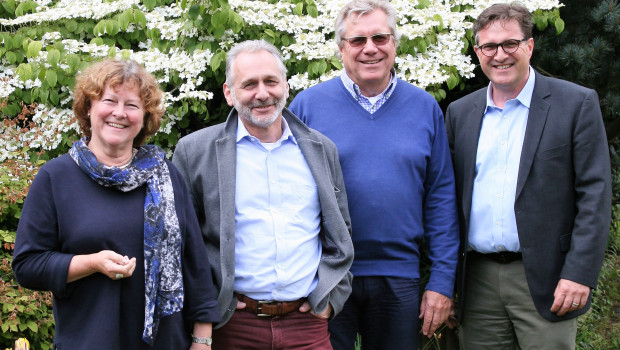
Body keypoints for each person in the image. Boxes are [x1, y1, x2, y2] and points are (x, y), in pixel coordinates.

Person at [12, 58, 221, 350]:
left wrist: (202, 339)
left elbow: (195, 265)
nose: (119, 113)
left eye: (132, 105)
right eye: (109, 101)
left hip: (167, 343)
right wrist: (91, 263)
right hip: (89, 341)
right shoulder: (56, 177)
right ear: (89, 108)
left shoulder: (165, 174)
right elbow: (28, 265)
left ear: (145, 116)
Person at [289, 0, 460, 348]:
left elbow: (441, 198)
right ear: (341, 49)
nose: (370, 48)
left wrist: (442, 281)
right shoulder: (307, 107)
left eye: (380, 38)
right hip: (325, 275)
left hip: (399, 277)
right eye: (357, 40)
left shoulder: (424, 107)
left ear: (395, 45)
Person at [445, 3, 612, 349]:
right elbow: (448, 199)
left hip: (548, 277)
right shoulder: (461, 113)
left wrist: (579, 272)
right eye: (489, 46)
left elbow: (595, 195)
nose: (500, 55)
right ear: (477, 52)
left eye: (511, 44)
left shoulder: (575, 104)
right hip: (477, 282)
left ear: (530, 46)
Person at [172, 40, 354, 350]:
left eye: (271, 81)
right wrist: (204, 320)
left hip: (307, 325)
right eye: (249, 84)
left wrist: (330, 298)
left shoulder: (321, 149)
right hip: (232, 325)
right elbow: (182, 244)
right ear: (229, 93)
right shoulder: (194, 152)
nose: (262, 93)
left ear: (285, 86)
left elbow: (341, 232)